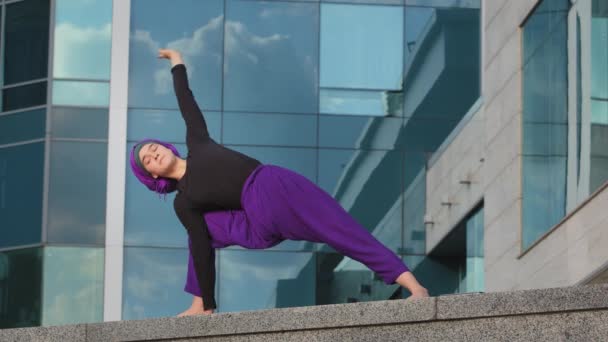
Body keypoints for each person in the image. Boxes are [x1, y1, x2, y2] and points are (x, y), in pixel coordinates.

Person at [129, 48, 430, 316]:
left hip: (274, 186)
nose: (153, 154)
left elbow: (186, 102)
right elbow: (201, 249)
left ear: (166, 146)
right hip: (256, 219)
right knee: (199, 237)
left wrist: (177, 62)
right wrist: (208, 298)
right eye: (147, 159)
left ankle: (414, 286)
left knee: (341, 230)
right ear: (151, 175)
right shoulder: (184, 202)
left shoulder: (198, 142)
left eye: (153, 148)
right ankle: (202, 306)